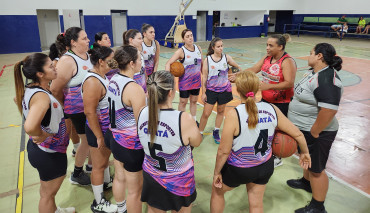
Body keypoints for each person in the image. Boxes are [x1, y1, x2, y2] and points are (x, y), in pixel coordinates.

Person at [210, 71, 311, 213]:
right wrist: (305, 152)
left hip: (240, 168)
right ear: (258, 88)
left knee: (217, 192)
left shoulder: (235, 114)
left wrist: (216, 172)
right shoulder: (272, 108)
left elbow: (223, 151)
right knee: (256, 204)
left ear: (238, 89)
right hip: (265, 166)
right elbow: (298, 134)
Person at [14, 53, 75, 213]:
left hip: (43, 152)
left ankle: (54, 210)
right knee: (47, 195)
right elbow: (30, 126)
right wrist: (41, 134)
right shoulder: (41, 97)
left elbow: (18, 101)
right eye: (50, 66)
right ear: (40, 74)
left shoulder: (34, 89)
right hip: (49, 153)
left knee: (46, 191)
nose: (55, 67)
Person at [287, 43, 343, 213]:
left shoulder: (327, 79)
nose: (308, 56)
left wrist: (315, 131)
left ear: (319, 56)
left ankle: (318, 207)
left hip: (320, 132)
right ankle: (306, 182)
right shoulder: (315, 73)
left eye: (310, 53)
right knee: (308, 160)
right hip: (306, 128)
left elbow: (329, 109)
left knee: (317, 169)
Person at [137, 70, 202, 213]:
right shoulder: (183, 119)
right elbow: (197, 142)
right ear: (171, 93)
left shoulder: (141, 112)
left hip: (152, 175)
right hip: (179, 179)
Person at [233, 34, 297, 168]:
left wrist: (269, 86)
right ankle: (266, 152)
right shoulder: (267, 58)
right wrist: (239, 75)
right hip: (266, 100)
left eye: (271, 45)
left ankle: (278, 157)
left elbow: (289, 83)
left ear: (280, 47)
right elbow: (253, 69)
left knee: (278, 132)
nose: (267, 48)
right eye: (267, 45)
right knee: (265, 128)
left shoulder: (287, 61)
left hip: (282, 103)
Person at [105, 45, 146, 213]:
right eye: (139, 59)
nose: (142, 62)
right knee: (135, 191)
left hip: (114, 137)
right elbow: (142, 124)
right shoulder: (134, 88)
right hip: (130, 145)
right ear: (131, 63)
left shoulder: (114, 78)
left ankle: (121, 208)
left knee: (120, 177)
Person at [50, 27, 92, 185]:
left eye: (87, 37)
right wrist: (66, 106)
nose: (88, 41)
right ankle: (77, 173)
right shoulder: (67, 61)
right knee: (87, 141)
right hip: (78, 110)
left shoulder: (88, 55)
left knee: (93, 139)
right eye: (84, 38)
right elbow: (54, 89)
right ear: (73, 43)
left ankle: (90, 166)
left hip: (91, 108)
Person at [81, 46, 117, 212]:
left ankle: (103, 187)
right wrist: (99, 136)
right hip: (98, 131)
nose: (114, 62)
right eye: (110, 59)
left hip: (104, 129)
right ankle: (98, 203)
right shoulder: (92, 82)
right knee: (98, 166)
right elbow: (89, 112)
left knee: (102, 164)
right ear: (101, 61)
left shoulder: (101, 76)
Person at [198, 37, 240, 144]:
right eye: (218, 47)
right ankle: (200, 132)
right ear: (213, 47)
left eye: (222, 46)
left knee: (221, 111)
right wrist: (203, 93)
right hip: (211, 90)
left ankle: (216, 131)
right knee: (206, 113)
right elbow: (204, 77)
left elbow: (237, 68)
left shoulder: (227, 58)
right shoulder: (208, 60)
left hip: (224, 90)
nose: (221, 48)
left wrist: (234, 75)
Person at [49, 33, 81, 158]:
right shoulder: (60, 62)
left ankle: (77, 148)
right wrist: (63, 103)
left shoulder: (72, 59)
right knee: (68, 128)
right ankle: (75, 148)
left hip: (67, 100)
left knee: (72, 127)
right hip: (63, 100)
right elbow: (55, 88)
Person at [165, 29, 202, 124]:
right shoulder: (181, 51)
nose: (190, 38)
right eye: (187, 36)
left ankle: (193, 121)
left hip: (197, 81)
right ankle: (181, 122)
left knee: (194, 101)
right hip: (185, 82)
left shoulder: (198, 48)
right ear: (183, 39)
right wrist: (168, 80)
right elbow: (168, 63)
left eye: (191, 35)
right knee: (183, 102)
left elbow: (201, 64)